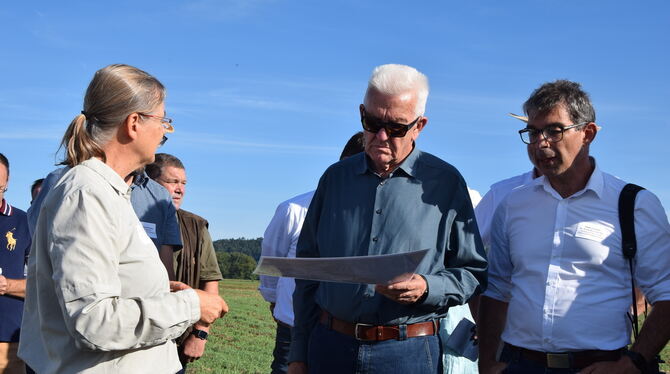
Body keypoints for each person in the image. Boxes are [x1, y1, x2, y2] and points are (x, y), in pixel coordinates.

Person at [18, 64, 228, 374]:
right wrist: (193, 305)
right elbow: (95, 320)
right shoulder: (86, 193)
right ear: (133, 123)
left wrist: (156, 290)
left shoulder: (106, 190)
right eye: (163, 121)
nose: (164, 132)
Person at [288, 64, 487, 374]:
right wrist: (299, 353)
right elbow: (308, 271)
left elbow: (472, 272)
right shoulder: (334, 179)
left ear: (419, 126)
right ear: (361, 113)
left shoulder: (446, 184)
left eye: (395, 127)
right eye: (371, 122)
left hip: (407, 353)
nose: (380, 136)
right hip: (330, 347)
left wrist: (427, 286)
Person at [478, 80, 670, 374]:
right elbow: (497, 289)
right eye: (532, 132)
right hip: (519, 364)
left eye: (554, 131)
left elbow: (666, 293)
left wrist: (634, 361)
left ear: (587, 133)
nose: (540, 142)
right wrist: (488, 362)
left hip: (600, 367)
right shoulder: (513, 205)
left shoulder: (634, 204)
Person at [258, 132, 365, 374]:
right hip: (295, 325)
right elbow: (272, 263)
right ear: (341, 163)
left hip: (346, 330)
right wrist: (276, 303)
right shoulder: (293, 210)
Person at [27, 167, 182, 281]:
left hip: (144, 313)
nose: (161, 134)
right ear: (132, 125)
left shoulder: (159, 196)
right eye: (160, 125)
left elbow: (165, 270)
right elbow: (41, 247)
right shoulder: (64, 180)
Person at [145, 153, 223, 372]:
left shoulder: (195, 226)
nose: (180, 189)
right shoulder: (132, 218)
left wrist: (200, 333)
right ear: (150, 184)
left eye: (183, 183)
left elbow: (210, 282)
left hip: (179, 338)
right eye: (172, 182)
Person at [0, 153, 30, 374]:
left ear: (8, 181)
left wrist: (6, 285)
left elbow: (44, 282)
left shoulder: (23, 222)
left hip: (8, 339)